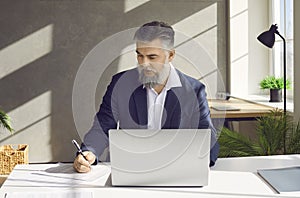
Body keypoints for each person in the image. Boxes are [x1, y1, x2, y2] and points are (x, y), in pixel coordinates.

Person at [73, 21, 219, 173]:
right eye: (140, 55)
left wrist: (193, 162)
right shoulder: (120, 84)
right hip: (129, 171)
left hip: (176, 172)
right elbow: (102, 127)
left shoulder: (194, 90)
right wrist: (89, 152)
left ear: (170, 55)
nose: (144, 63)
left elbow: (208, 139)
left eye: (152, 57)